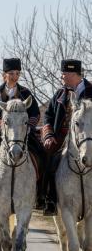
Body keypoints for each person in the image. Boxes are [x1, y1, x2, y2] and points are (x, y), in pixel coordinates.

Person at [0, 58, 44, 212]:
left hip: (23, 133)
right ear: (4, 75)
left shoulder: (26, 93)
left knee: (42, 154)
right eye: (11, 73)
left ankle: (40, 196)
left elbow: (34, 113)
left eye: (17, 73)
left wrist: (28, 126)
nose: (15, 76)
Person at [42, 59, 92, 216]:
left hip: (87, 137)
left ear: (74, 74)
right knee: (49, 162)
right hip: (62, 139)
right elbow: (48, 116)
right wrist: (49, 135)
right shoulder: (60, 94)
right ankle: (49, 199)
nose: (62, 77)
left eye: (64, 74)